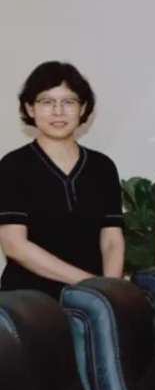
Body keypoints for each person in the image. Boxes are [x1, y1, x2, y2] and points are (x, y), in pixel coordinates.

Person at [0, 62, 124, 300]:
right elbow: (14, 245)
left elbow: (112, 240)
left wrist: (109, 292)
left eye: (68, 102)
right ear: (30, 109)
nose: (58, 112)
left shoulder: (102, 166)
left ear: (83, 108)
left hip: (91, 302)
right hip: (28, 304)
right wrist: (90, 283)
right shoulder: (13, 166)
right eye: (46, 102)